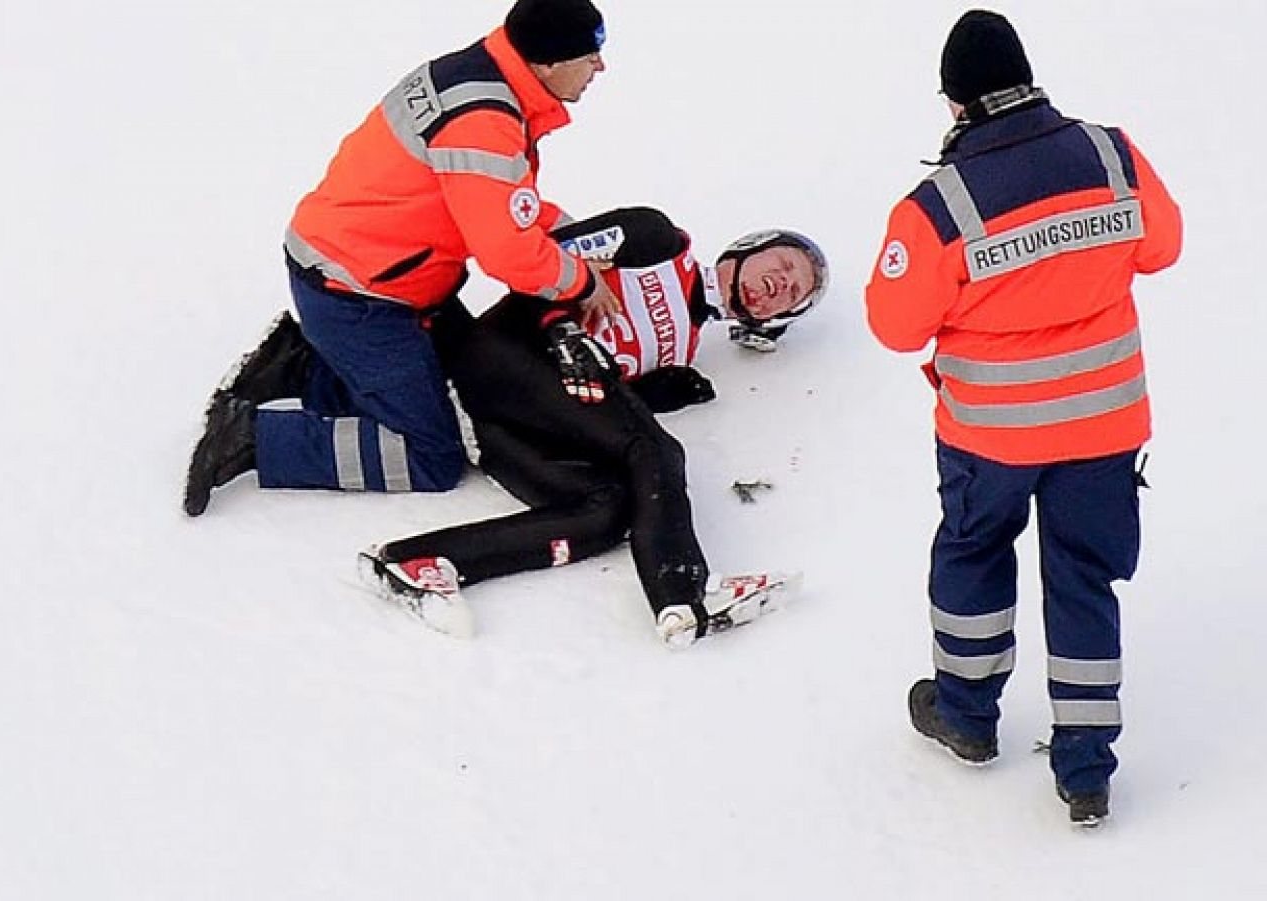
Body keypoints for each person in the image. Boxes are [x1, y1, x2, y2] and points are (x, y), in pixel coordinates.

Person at [864, 10, 1182, 827]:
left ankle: (967, 715)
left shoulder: (940, 204)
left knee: (973, 550)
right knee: (1083, 574)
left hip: (992, 431)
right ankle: (1085, 769)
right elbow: (1164, 245)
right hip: (1105, 422)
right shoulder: (1111, 153)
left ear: (955, 102)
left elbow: (896, 326)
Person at [304, 206, 825, 646]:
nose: (780, 283)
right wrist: (560, 325)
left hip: (499, 422)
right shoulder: (656, 239)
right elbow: (543, 255)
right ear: (750, 248)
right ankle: (685, 592)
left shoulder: (683, 347)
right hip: (499, 354)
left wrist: (647, 393)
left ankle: (413, 562)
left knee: (608, 509)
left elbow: (588, 409)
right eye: (782, 263)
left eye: (792, 294)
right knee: (657, 452)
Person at [183, 0, 617, 517]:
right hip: (357, 296)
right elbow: (506, 250)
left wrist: (567, 233)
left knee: (459, 386)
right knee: (431, 454)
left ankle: (302, 366)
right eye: (591, 54)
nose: (599, 67)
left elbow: (489, 198)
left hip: (370, 273)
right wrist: (580, 284)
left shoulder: (482, 78)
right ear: (547, 62)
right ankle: (255, 437)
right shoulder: (481, 121)